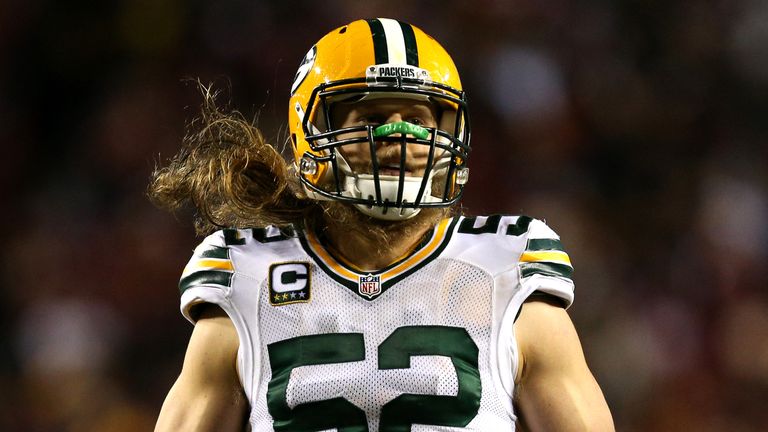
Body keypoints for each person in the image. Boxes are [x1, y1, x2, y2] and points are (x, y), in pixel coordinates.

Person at [151, 18, 614, 432]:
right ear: (310, 133)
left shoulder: (508, 271)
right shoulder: (246, 275)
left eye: (417, 118)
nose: (400, 136)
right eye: (371, 118)